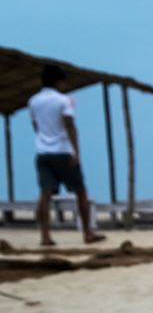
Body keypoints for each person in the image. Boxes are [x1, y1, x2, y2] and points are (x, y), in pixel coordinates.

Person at [28, 65, 105, 246]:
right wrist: (76, 152)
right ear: (59, 82)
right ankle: (87, 233)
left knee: (45, 194)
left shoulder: (33, 101)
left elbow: (36, 126)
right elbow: (70, 125)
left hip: (43, 152)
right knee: (80, 191)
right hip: (63, 151)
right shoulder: (64, 100)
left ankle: (45, 236)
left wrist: (43, 140)